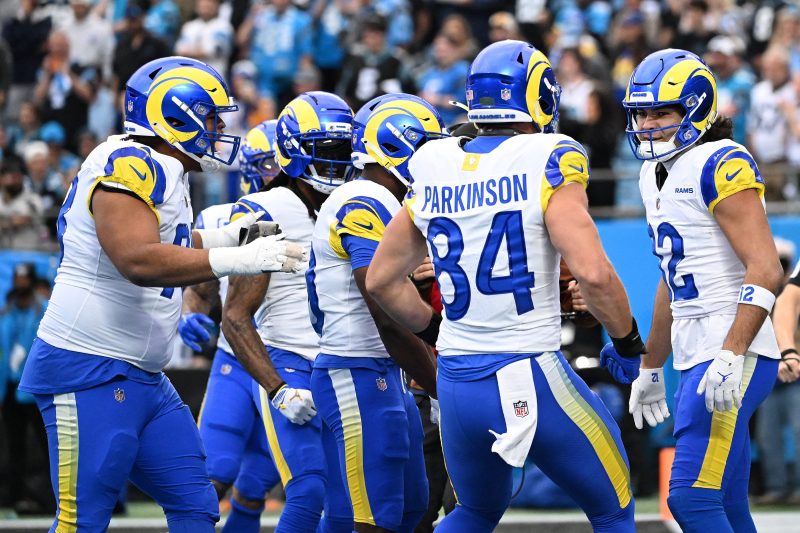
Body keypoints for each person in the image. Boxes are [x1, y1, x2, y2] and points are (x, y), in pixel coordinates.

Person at [16, 56, 306, 533]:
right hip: (89, 365)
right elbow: (137, 259)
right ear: (174, 116)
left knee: (197, 505)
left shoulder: (165, 168)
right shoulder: (130, 163)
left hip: (143, 373)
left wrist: (232, 237)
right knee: (82, 522)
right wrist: (239, 258)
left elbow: (170, 242)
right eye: (211, 118)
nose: (219, 130)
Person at [365, 40, 644, 532]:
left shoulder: (434, 160)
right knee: (614, 509)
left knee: (474, 512)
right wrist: (627, 342)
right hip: (527, 369)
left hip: (455, 379)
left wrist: (436, 331)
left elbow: (382, 280)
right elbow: (595, 273)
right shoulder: (550, 155)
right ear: (540, 95)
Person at [612, 48, 783, 532]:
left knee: (690, 498)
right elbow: (673, 279)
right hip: (694, 349)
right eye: (641, 114)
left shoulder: (721, 161)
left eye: (661, 113)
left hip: (732, 347)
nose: (647, 125)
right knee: (727, 503)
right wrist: (650, 364)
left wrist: (731, 352)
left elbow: (766, 268)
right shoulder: (652, 173)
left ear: (696, 109)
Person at [305, 92, 444, 532]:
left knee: (408, 510)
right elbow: (385, 311)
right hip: (355, 371)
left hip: (382, 371)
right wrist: (440, 384)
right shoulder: (364, 199)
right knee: (372, 519)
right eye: (426, 146)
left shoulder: (389, 204)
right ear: (396, 144)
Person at [223, 99, 352, 532]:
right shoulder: (264, 210)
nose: (338, 161)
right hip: (289, 361)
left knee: (347, 501)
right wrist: (278, 389)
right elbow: (235, 316)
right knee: (309, 488)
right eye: (326, 150)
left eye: (343, 150)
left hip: (342, 364)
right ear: (295, 151)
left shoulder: (356, 202)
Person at [179, 197, 281, 531]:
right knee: (213, 474)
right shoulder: (219, 217)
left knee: (256, 485)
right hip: (234, 358)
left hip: (289, 359)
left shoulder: (317, 212)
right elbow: (200, 290)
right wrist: (190, 314)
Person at [755, 243, 800, 505]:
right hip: (770, 376)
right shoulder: (760, 297)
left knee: (798, 431)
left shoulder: (790, 296)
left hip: (795, 376)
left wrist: (791, 355)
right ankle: (776, 487)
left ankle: (796, 487)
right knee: (767, 435)